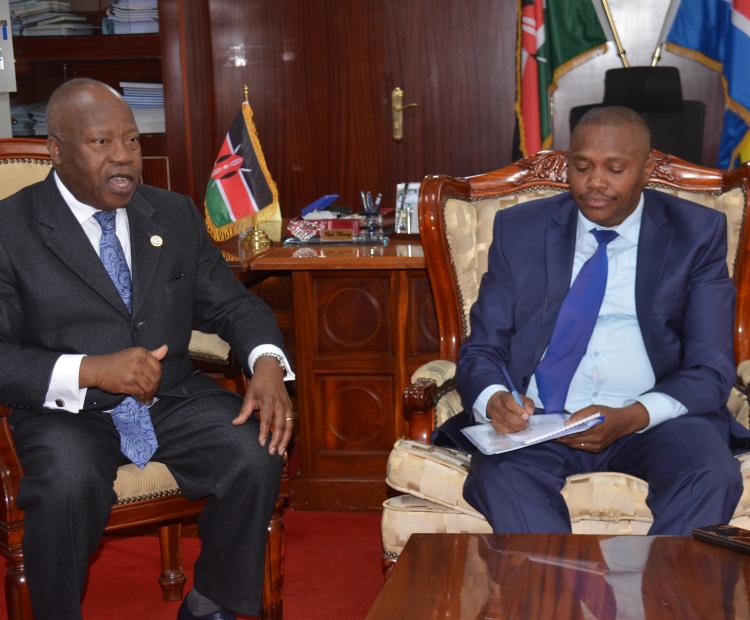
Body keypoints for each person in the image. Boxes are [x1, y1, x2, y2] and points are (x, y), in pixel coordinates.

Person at [0, 78, 294, 620]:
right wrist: (90, 369)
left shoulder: (173, 213)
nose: (124, 159)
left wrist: (267, 364)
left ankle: (211, 603)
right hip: (66, 412)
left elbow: (233, 306)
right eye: (101, 143)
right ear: (56, 152)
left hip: (173, 397)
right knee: (65, 484)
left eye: (131, 141)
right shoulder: (10, 229)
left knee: (254, 450)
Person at [451, 106, 749, 535]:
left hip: (655, 417)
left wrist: (630, 416)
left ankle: (657, 600)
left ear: (646, 169)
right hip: (540, 422)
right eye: (582, 166)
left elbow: (710, 367)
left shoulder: (695, 233)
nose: (595, 182)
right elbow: (484, 348)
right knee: (501, 477)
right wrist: (496, 398)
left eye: (615, 168)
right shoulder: (521, 229)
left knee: (709, 475)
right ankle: (555, 598)